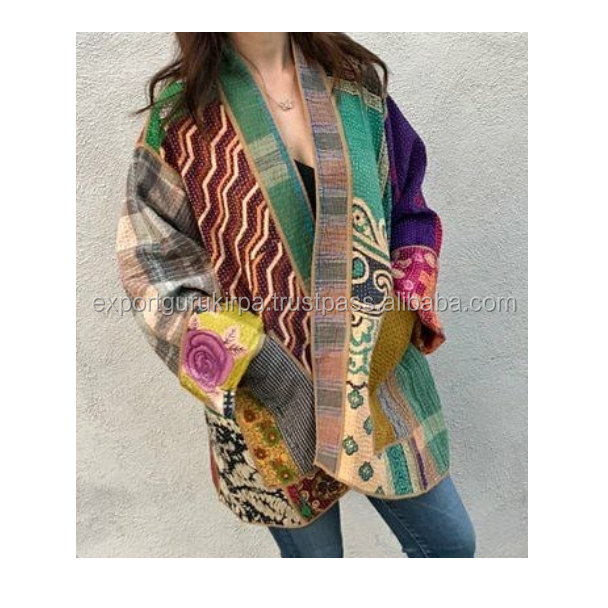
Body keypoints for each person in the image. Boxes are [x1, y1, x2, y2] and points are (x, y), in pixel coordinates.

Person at [116, 32, 476, 558]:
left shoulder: (355, 87)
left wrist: (398, 313)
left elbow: (409, 209)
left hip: (378, 380)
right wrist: (257, 363)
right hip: (267, 405)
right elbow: (151, 269)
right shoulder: (181, 119)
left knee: (450, 544)